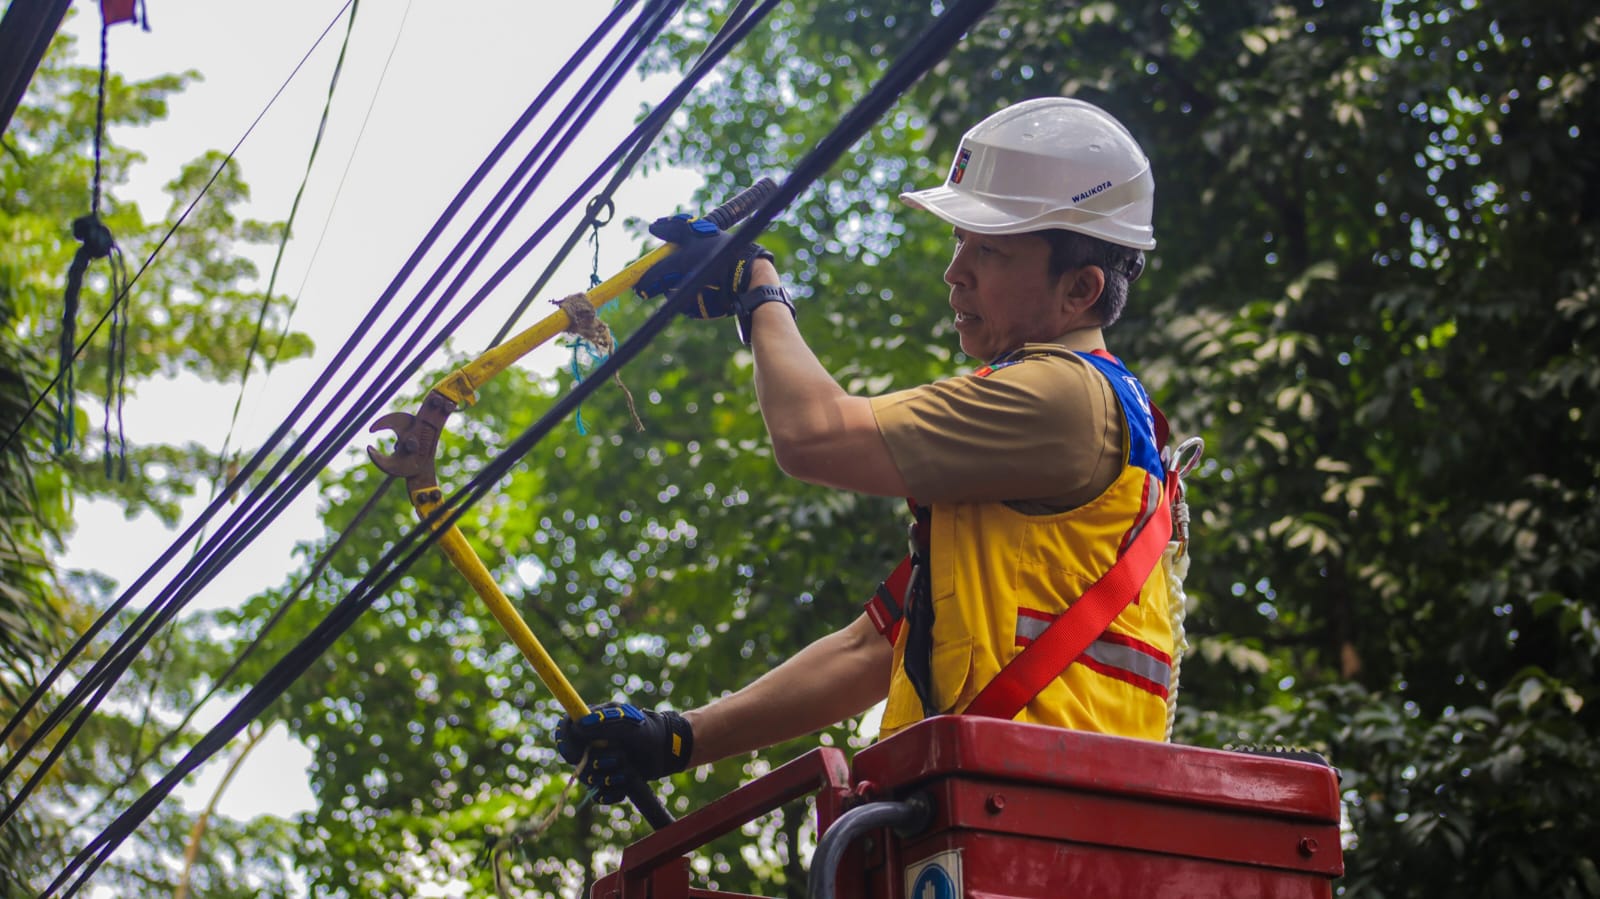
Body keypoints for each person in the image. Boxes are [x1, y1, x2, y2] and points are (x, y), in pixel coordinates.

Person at [555, 97, 1179, 804]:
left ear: (1080, 289)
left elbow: (812, 434)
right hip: (1003, 814)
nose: (956, 272)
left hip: (1039, 819)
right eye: (959, 241)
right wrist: (677, 738)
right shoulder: (1038, 449)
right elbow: (869, 649)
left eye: (991, 249)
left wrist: (756, 287)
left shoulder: (1063, 398)